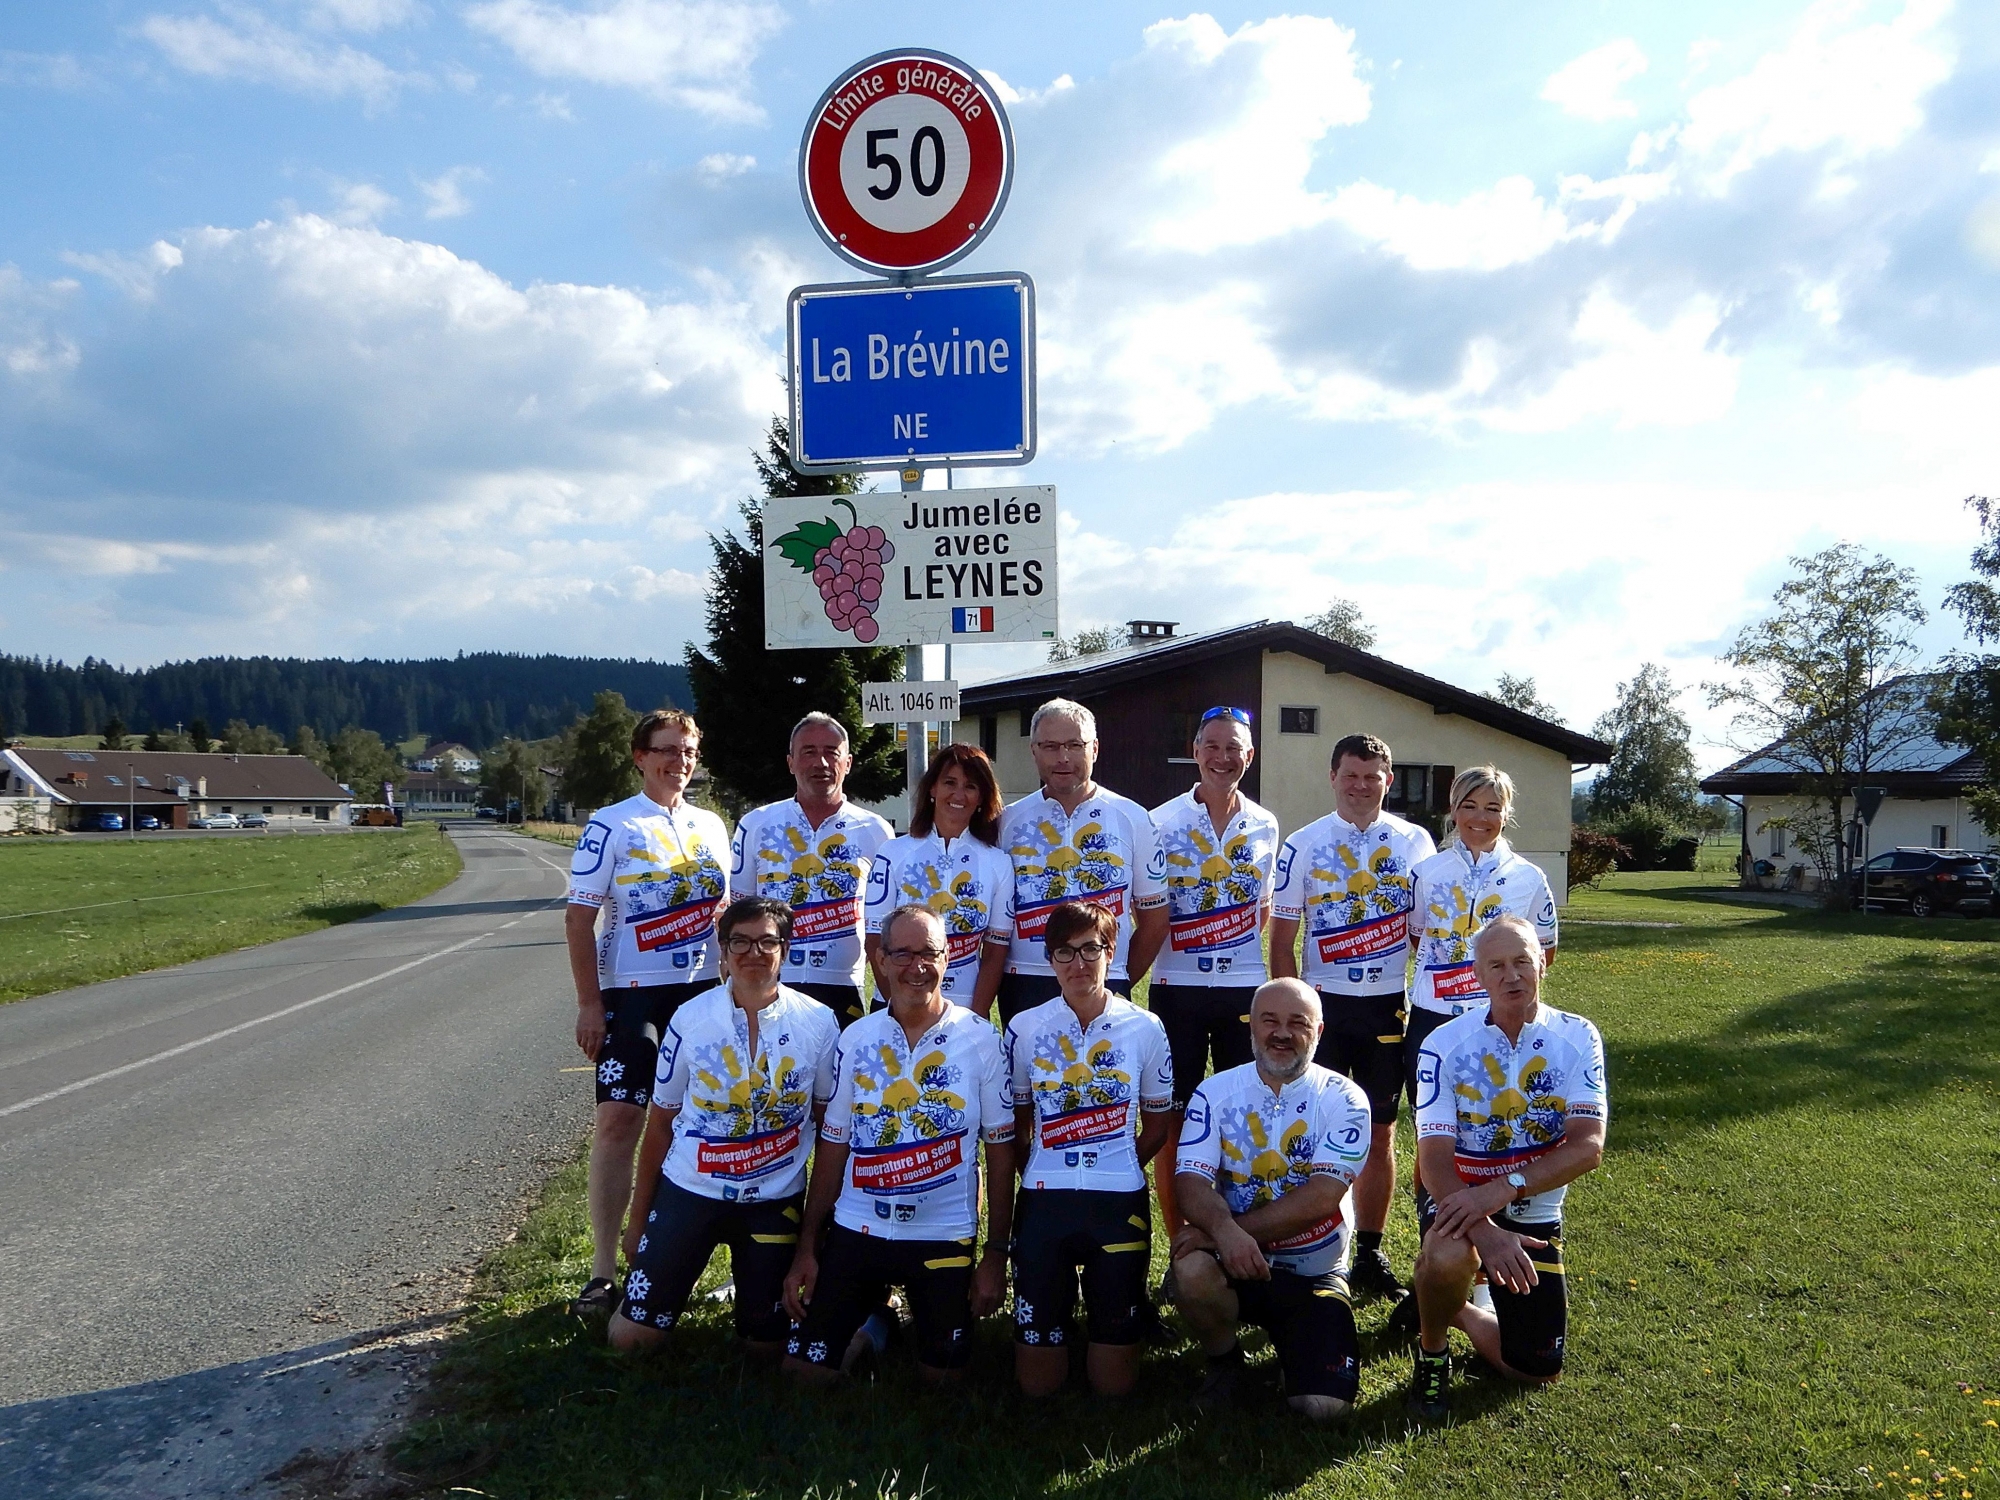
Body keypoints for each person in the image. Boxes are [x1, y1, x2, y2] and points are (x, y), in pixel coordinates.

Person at [781, 904, 1016, 1385]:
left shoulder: (981, 1039)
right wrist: (808, 1245)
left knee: (942, 1383)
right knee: (803, 1376)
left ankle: (876, 1328)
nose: (916, 966)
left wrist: (994, 1256)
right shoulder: (857, 1038)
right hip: (858, 1227)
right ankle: (875, 1324)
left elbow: (999, 1152)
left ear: (948, 958)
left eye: (928, 953)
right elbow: (833, 1146)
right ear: (881, 961)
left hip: (943, 1232)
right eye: (902, 954)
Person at [607, 896, 840, 1356]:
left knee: (765, 1349)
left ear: (786, 948)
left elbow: (830, 1134)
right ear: (723, 950)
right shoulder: (689, 1018)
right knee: (631, 1343)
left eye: (767, 942)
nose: (753, 953)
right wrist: (637, 1223)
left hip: (774, 1199)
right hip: (691, 1189)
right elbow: (660, 1126)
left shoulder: (820, 1022)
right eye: (740, 942)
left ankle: (753, 1290)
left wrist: (814, 1237)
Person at [565, 708, 731, 1318]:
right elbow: (578, 919)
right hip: (632, 995)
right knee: (618, 1123)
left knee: (702, 1127)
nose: (680, 762)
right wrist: (590, 1002)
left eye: (689, 751)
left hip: (700, 995)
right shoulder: (610, 826)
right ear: (639, 755)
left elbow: (726, 914)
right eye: (667, 750)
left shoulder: (713, 826)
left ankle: (677, 1258)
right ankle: (604, 1272)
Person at [1407, 915, 1605, 1419]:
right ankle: (1432, 1352)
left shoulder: (1579, 1036)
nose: (1511, 975)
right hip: (1458, 1199)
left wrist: (1505, 1190)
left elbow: (1588, 1147)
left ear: (1543, 962)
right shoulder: (1443, 1044)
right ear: (1477, 975)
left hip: (1532, 1211)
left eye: (1522, 961)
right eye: (1496, 965)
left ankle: (1456, 1310)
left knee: (1536, 1369)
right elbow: (1432, 1162)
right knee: (1450, 1256)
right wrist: (1486, 1232)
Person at [1268, 732, 1436, 1301]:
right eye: (1351, 775)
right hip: (1323, 1006)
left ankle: (1369, 1251)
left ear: (1387, 782)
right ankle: (1298, 1244)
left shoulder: (1416, 842)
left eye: (1373, 777)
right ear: (1333, 777)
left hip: (1388, 1002)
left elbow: (1427, 933)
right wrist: (1292, 1010)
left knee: (1381, 1132)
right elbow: (1283, 937)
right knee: (1308, 1125)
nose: (1361, 786)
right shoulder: (1303, 843)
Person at [1169, 978, 1372, 1420]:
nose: (1281, 1033)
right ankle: (1225, 1361)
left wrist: (1231, 1233)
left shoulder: (1346, 1098)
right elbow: (1188, 1183)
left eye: (1297, 1023)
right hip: (1234, 1263)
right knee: (1190, 1269)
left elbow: (1322, 1196)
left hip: (1314, 1272)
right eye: (1269, 1021)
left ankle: (1297, 1347)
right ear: (1251, 1029)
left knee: (1324, 1408)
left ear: (1318, 1032)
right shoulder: (1214, 1093)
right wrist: (1224, 1235)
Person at [1005, 901, 1177, 1398]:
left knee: (1114, 1387)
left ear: (1111, 951)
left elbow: (1158, 1124)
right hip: (1044, 1197)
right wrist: (1038, 1168)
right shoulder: (1024, 1027)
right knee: (1037, 1386)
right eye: (1064, 952)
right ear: (1049, 958)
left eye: (1090, 949)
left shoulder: (1145, 1027)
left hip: (1117, 1197)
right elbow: (1018, 1123)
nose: (1078, 964)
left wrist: (1118, 1162)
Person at [1147, 705, 1280, 1237]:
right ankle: (1183, 1243)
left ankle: (1234, 1234)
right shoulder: (1161, 820)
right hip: (1176, 986)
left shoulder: (1266, 823)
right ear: (1196, 752)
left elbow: (1264, 908)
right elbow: (1148, 906)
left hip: (1242, 988)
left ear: (1249, 756)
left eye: (1234, 748)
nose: (1223, 758)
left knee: (1237, 1119)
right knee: (1175, 1123)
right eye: (1213, 746)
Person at [996, 698, 1168, 1025]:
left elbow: (1155, 919)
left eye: (1075, 745)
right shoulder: (1008, 822)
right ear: (1033, 751)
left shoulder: (1133, 818)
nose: (1063, 758)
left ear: (1095, 749)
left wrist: (1117, 975)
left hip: (1104, 978)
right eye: (1050, 746)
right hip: (1027, 981)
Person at [730, 712, 894, 1028]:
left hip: (843, 986)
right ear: (790, 762)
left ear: (847, 763)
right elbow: (737, 916)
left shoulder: (876, 830)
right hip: (768, 982)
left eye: (831, 752)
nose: (820, 762)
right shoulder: (756, 824)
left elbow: (887, 923)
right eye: (808, 752)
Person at [863, 743, 1014, 1019]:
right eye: (949, 782)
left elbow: (995, 950)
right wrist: (896, 1005)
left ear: (982, 797)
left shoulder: (999, 862)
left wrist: (977, 1014)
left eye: (970, 786)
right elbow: (874, 939)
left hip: (964, 1008)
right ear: (932, 788)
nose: (959, 794)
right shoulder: (893, 853)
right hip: (895, 1006)